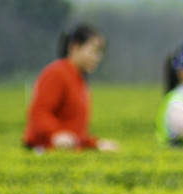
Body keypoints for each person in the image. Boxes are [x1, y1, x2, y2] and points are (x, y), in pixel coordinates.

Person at [23, 24, 118, 152]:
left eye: (100, 52)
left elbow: (72, 131)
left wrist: (94, 144)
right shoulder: (57, 72)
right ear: (74, 46)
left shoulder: (79, 79)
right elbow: (38, 111)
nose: (97, 58)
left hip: (66, 151)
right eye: (93, 51)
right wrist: (55, 134)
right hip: (43, 151)